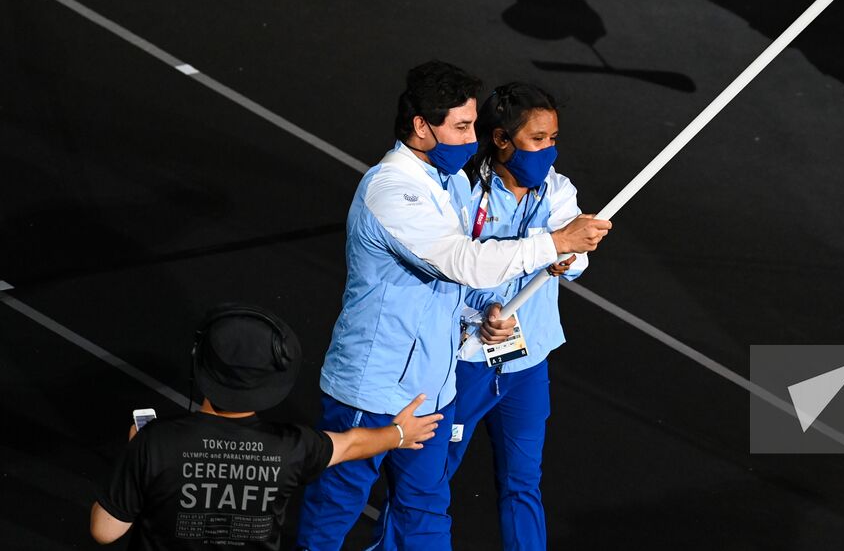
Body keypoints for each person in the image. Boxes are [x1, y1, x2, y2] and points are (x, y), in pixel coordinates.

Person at [295, 62, 609, 551]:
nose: (471, 139)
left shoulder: (448, 184)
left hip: (433, 387)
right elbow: (463, 263)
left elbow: (455, 291)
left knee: (426, 512)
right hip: (374, 388)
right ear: (422, 126)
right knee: (336, 506)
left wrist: (478, 315)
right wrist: (552, 243)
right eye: (462, 127)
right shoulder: (393, 190)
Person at [381, 82, 585, 551]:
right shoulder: (462, 192)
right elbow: (446, 271)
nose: (548, 151)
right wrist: (477, 317)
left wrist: (569, 253)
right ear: (501, 139)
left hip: (527, 366)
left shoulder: (558, 191)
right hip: (464, 366)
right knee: (427, 482)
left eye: (553, 138)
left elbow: (577, 260)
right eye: (538, 139)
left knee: (523, 484)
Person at [90, 305, 443, 550]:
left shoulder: (154, 444)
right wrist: (398, 434)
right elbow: (350, 444)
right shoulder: (291, 447)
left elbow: (105, 530)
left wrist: (133, 456)